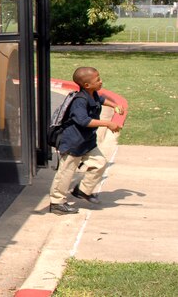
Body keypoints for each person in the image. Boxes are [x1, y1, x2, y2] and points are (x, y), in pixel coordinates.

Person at [48, 66, 126, 215]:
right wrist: (108, 123)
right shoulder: (79, 101)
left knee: (100, 163)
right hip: (73, 143)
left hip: (87, 141)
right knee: (65, 173)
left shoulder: (93, 94)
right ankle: (57, 202)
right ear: (87, 85)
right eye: (98, 80)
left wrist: (115, 105)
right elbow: (84, 121)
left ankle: (83, 190)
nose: (101, 81)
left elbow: (101, 100)